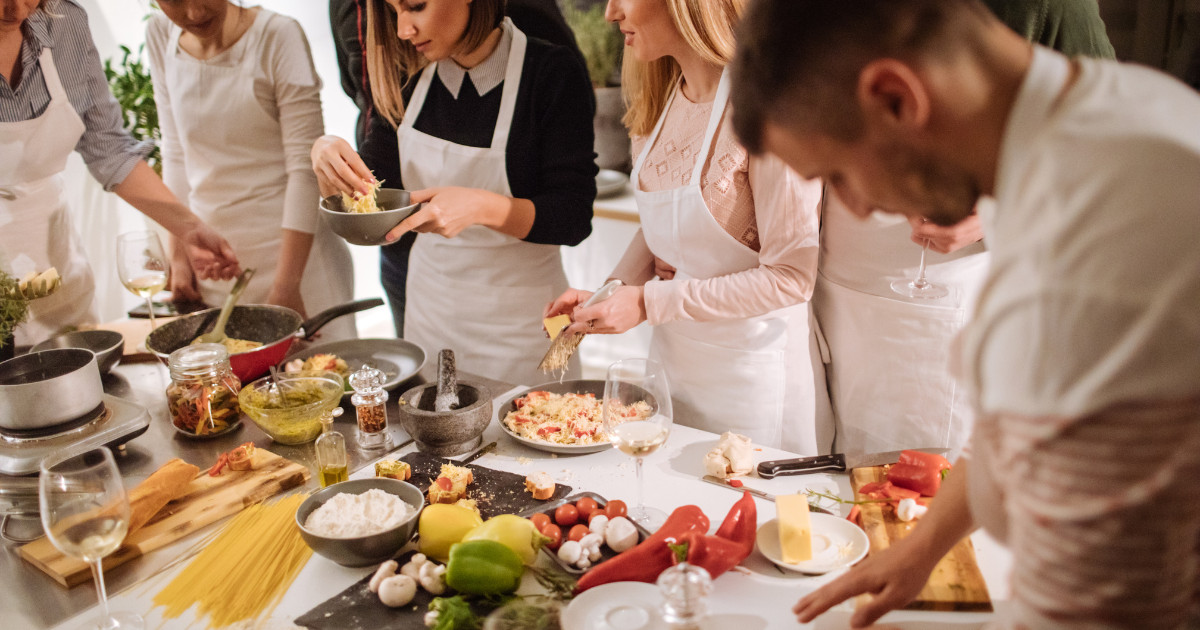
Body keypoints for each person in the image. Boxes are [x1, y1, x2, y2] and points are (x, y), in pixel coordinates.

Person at [731, 0, 1200, 627]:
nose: (858, 209)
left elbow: (1104, 600)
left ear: (896, 97)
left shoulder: (1106, 223)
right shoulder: (1065, 133)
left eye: (838, 174)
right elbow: (1020, 412)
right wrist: (921, 551)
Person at [814, 0, 1114, 459]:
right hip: (834, 285)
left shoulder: (1050, 7)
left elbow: (1100, 148)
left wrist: (998, 208)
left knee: (921, 474)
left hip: (941, 292)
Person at [545, 0, 833, 454]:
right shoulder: (662, 96)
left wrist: (646, 302)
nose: (610, 13)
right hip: (675, 372)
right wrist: (610, 292)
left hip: (754, 387)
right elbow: (663, 225)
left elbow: (791, 278)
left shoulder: (771, 107)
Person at [313, 0, 596, 385]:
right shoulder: (405, 77)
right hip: (432, 315)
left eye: (415, 7)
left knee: (547, 427)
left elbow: (574, 217)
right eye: (395, 12)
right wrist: (329, 156)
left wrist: (482, 207)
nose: (403, 30)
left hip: (535, 319)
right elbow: (379, 193)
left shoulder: (553, 72)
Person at [0, 0, 239, 346]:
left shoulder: (67, 25)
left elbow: (108, 148)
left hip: (57, 272)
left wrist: (190, 228)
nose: (17, 10)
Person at [147, 1, 354, 336]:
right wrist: (179, 254)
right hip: (216, 267)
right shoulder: (159, 34)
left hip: (297, 265)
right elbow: (174, 151)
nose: (195, 13)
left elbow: (303, 168)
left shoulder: (277, 36)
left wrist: (287, 286)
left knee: (323, 379)